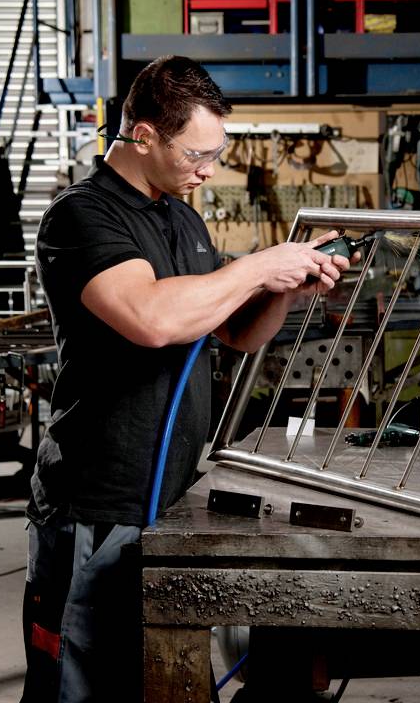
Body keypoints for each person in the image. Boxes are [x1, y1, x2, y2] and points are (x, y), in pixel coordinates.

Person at [21, 55, 354, 702]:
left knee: (152, 678)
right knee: (77, 687)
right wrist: (259, 265)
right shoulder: (83, 216)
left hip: (168, 499)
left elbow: (234, 332)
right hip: (95, 504)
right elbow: (150, 318)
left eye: (215, 154)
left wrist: (286, 288)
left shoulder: (182, 216)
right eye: (195, 155)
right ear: (142, 135)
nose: (208, 171)